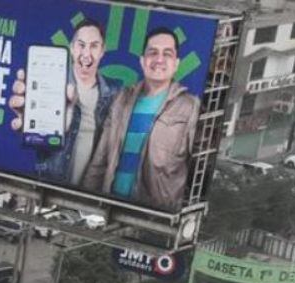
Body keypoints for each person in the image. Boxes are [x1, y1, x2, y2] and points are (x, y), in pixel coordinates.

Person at [80, 28, 201, 211]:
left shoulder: (190, 107)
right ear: (143, 61)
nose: (159, 59)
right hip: (110, 211)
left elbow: (199, 172)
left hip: (153, 220)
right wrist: (83, 206)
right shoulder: (122, 99)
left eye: (167, 54)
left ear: (176, 64)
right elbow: (100, 160)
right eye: (152, 52)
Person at [22, 21, 117, 187]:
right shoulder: (50, 83)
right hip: (50, 187)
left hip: (90, 194)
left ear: (102, 51)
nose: (86, 53)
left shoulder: (113, 92)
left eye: (94, 46)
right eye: (81, 45)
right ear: (72, 48)